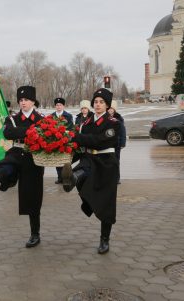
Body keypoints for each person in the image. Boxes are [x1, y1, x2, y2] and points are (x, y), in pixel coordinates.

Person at [0, 86, 44, 248]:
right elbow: (8, 133)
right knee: (8, 165)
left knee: (33, 196)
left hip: (34, 156)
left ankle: (35, 233)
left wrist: (21, 131)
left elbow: (43, 133)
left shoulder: (42, 119)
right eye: (21, 100)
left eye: (26, 100)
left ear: (33, 101)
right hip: (17, 151)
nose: (23, 103)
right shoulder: (13, 118)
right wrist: (31, 131)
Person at [61, 88, 120, 254]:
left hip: (106, 164)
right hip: (89, 160)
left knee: (107, 205)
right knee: (82, 170)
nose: (98, 105)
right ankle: (71, 178)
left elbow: (100, 141)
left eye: (101, 102)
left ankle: (104, 239)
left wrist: (77, 137)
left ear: (107, 105)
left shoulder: (113, 123)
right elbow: (81, 145)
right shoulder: (86, 123)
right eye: (96, 102)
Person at [51, 97, 74, 184]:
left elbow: (71, 128)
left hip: (65, 140)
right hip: (55, 140)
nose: (58, 107)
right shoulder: (52, 116)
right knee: (57, 159)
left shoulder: (68, 115)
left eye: (60, 105)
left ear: (63, 106)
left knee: (65, 160)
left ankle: (66, 178)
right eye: (57, 105)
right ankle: (59, 177)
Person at [108, 100, 126, 184]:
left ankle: (116, 178)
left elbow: (123, 131)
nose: (110, 110)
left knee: (116, 161)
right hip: (107, 143)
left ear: (114, 110)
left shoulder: (119, 118)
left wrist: (122, 143)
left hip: (117, 143)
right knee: (108, 161)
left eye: (112, 108)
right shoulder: (104, 117)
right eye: (109, 108)